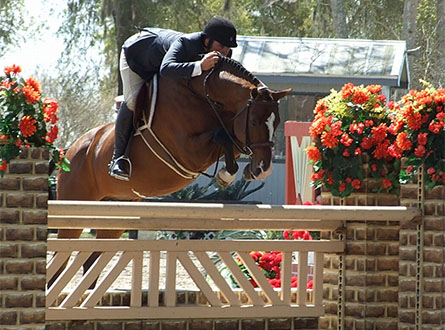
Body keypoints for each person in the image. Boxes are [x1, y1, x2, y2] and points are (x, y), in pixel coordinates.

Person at [109, 17, 238, 181]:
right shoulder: (186, 43)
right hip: (136, 58)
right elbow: (166, 68)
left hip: (158, 60)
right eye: (221, 46)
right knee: (133, 100)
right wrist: (200, 66)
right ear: (207, 40)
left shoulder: (222, 53)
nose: (225, 52)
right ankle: (117, 159)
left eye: (228, 48)